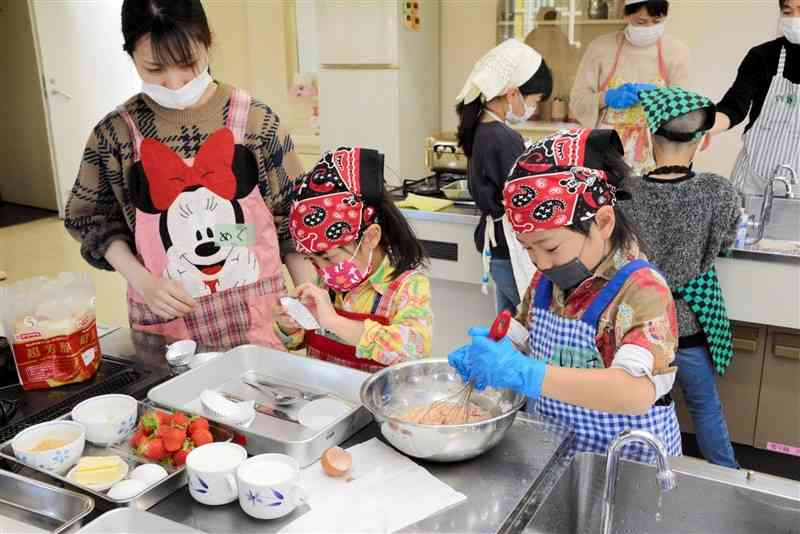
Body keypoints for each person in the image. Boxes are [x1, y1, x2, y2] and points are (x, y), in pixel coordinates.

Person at [64, 0, 311, 349]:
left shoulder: (256, 121)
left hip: (259, 319)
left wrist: (307, 293)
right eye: (155, 69)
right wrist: (143, 281)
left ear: (207, 42)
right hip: (168, 323)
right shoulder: (115, 134)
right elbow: (89, 219)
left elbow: (292, 219)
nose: (175, 83)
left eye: (187, 64)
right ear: (130, 55)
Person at [449, 128, 682, 462]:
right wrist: (491, 348)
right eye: (529, 250)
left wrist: (527, 374)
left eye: (550, 247)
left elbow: (634, 392)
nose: (541, 263)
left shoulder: (642, 290)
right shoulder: (546, 282)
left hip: (625, 463)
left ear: (602, 222)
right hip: (556, 453)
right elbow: (520, 332)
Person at [622, 87, 741, 469]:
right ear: (702, 141)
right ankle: (728, 478)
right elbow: (723, 244)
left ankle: (636, 470)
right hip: (690, 321)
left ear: (646, 137)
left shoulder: (625, 192)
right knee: (705, 406)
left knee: (638, 404)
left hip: (638, 322)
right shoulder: (719, 191)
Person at [274, 147, 432, 373]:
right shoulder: (328, 285)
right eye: (313, 260)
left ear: (371, 237)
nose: (322, 270)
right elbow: (298, 340)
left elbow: (414, 350)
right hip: (326, 402)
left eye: (328, 258)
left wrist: (335, 322)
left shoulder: (408, 286)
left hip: (377, 404)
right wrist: (290, 326)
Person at [455, 38, 553, 314]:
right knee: (531, 323)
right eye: (533, 101)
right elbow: (523, 196)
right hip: (510, 248)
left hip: (497, 248)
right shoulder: (502, 137)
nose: (532, 109)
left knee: (507, 327)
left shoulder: (481, 128)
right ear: (512, 93)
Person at [570, 0, 690, 175]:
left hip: (655, 154)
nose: (649, 27)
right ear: (626, 14)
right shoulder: (601, 48)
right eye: (641, 22)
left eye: (657, 21)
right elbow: (577, 101)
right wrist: (606, 97)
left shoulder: (677, 52)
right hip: (606, 152)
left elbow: (682, 113)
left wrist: (664, 100)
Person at [710, 0, 800, 195]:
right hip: (753, 179)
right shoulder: (763, 55)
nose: (794, 19)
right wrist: (707, 127)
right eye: (787, 11)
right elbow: (733, 106)